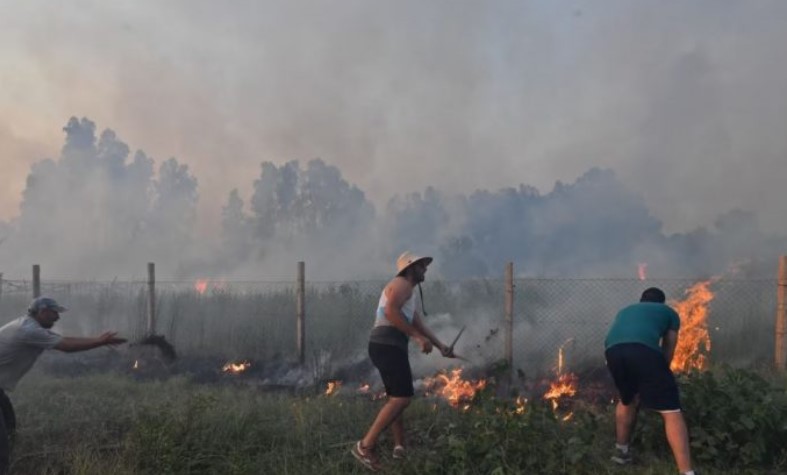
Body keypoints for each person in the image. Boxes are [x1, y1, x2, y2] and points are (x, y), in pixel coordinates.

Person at [351, 252, 455, 471]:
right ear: (410, 269)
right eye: (421, 266)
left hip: (386, 345)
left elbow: (418, 324)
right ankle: (364, 446)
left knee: (395, 397)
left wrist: (440, 346)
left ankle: (399, 446)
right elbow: (390, 312)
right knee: (402, 398)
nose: (425, 269)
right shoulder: (402, 285)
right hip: (387, 345)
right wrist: (417, 338)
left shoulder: (408, 293)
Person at [0, 296, 127, 473]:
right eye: (54, 313)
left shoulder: (29, 325)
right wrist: (100, 342)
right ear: (43, 311)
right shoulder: (28, 330)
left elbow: (64, 339)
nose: (57, 318)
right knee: (1, 449)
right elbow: (67, 346)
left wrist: (98, 340)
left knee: (9, 429)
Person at [604, 287, 695, 475]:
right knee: (671, 411)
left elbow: (617, 334)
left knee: (627, 400)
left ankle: (621, 453)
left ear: (642, 300)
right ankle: (686, 472)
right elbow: (668, 347)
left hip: (612, 350)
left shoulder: (626, 310)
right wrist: (663, 372)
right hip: (643, 350)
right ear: (661, 302)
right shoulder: (669, 313)